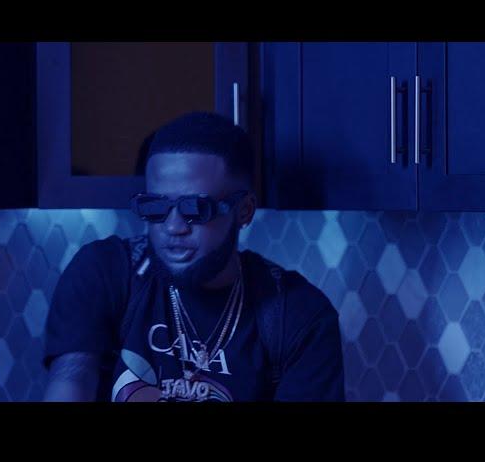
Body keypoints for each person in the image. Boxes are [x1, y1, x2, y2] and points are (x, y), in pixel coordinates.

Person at [43, 111, 344, 402]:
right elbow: (72, 378)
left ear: (244, 211)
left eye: (196, 209)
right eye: (156, 207)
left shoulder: (298, 314)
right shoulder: (105, 272)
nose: (173, 227)